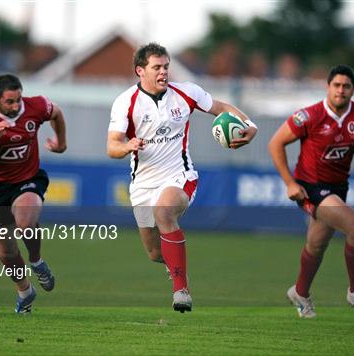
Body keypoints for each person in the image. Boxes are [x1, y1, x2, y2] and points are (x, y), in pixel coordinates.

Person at [107, 43, 257, 312]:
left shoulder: (187, 93)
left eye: (166, 66)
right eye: (157, 67)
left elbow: (222, 107)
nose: (164, 72)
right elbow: (112, 146)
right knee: (154, 254)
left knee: (164, 212)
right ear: (140, 70)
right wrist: (127, 146)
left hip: (179, 175)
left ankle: (181, 291)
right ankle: (178, 270)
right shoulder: (125, 103)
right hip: (142, 183)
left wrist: (251, 126)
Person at [268, 64, 354, 318]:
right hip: (312, 188)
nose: (341, 90)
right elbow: (276, 143)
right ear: (328, 87)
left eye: (346, 86)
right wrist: (290, 183)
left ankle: (300, 292)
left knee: (316, 245)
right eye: (336, 85)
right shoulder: (309, 116)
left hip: (338, 189)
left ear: (353, 90)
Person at [0, 74, 67, 314]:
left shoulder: (36, 105)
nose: (15, 106)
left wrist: (61, 143)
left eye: (18, 100)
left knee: (25, 222)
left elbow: (57, 113)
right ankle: (25, 291)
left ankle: (36, 261)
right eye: (9, 102)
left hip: (28, 179)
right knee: (6, 253)